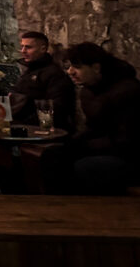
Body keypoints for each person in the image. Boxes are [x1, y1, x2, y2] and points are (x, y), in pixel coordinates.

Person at [63, 42, 140, 194]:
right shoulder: (90, 90)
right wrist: (72, 142)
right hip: (107, 148)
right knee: (54, 156)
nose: (70, 71)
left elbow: (127, 140)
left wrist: (84, 146)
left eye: (77, 67)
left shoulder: (128, 91)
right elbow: (93, 127)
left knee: (83, 166)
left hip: (130, 157)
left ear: (96, 68)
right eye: (69, 66)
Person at [9, 31, 75, 134]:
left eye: (28, 47)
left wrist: (22, 124)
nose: (23, 51)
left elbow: (57, 107)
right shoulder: (29, 71)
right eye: (22, 47)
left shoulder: (54, 74)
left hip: (39, 129)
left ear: (43, 49)